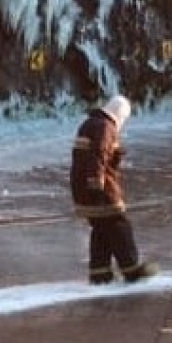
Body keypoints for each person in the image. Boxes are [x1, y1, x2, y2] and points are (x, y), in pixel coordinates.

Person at [69, 95, 158, 284]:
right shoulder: (105, 127)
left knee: (101, 227)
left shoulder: (88, 124)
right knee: (119, 224)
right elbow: (99, 153)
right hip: (100, 189)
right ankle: (131, 269)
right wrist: (96, 182)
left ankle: (99, 273)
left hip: (81, 190)